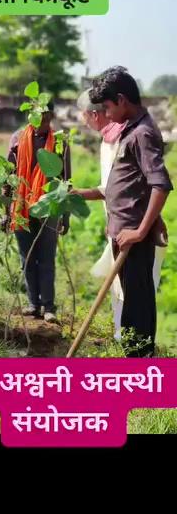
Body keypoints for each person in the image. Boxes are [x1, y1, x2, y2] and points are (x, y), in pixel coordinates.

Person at [88, 66, 173, 356]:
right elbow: (141, 183)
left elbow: (160, 184)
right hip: (124, 230)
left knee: (137, 301)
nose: (106, 114)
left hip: (132, 236)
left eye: (108, 106)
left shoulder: (143, 134)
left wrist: (139, 230)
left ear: (122, 100)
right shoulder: (132, 129)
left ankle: (139, 362)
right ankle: (138, 355)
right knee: (135, 298)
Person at [2, 102, 71, 323]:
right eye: (36, 114)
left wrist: (65, 215)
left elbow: (66, 179)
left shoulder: (59, 141)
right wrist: (6, 211)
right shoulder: (17, 138)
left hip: (49, 207)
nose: (40, 118)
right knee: (27, 258)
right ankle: (33, 303)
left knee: (47, 258)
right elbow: (8, 178)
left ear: (51, 115)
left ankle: (49, 307)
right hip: (21, 206)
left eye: (44, 114)